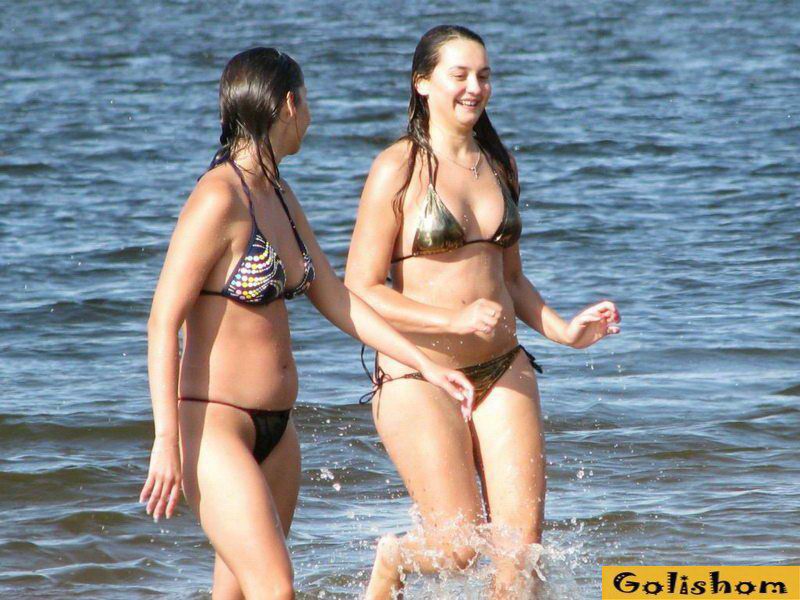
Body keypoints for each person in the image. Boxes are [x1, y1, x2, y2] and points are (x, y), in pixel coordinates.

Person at [138, 47, 473, 600]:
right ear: (289, 104)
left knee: (237, 593)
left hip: (277, 433)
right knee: (276, 589)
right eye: (308, 102)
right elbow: (161, 322)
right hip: (214, 428)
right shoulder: (218, 196)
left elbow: (337, 298)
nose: (311, 117)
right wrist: (165, 440)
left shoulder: (280, 194)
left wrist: (424, 363)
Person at [345, 26, 621, 599]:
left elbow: (511, 280)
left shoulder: (499, 163)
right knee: (458, 549)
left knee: (522, 558)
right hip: (417, 374)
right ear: (423, 83)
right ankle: (395, 558)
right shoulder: (397, 167)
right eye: (460, 75)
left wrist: (566, 331)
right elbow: (361, 287)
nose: (475, 87)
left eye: (484, 76)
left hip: (502, 367)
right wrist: (452, 321)